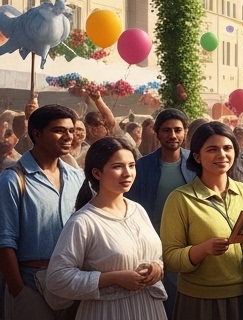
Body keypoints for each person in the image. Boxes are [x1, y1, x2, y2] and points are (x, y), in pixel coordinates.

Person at [159, 120, 243, 320]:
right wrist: (203, 250)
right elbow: (170, 258)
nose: (222, 155)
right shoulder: (180, 199)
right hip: (201, 301)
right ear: (197, 156)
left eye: (227, 148)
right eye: (212, 149)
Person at [47, 137, 166, 320]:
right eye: (118, 166)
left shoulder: (138, 210)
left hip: (149, 308)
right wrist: (113, 278)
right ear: (97, 173)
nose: (127, 173)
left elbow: (154, 254)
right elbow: (57, 279)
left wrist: (156, 267)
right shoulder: (83, 222)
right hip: (108, 311)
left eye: (131, 166)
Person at [0, 104, 84, 320]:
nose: (68, 136)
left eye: (71, 130)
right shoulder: (13, 179)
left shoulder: (77, 177)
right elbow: (5, 242)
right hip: (31, 285)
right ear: (37, 135)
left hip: (73, 284)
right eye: (59, 130)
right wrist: (20, 292)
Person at [131, 108, 198, 319]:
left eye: (178, 130)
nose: (172, 135)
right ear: (157, 133)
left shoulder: (196, 163)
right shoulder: (142, 167)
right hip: (154, 248)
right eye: (167, 130)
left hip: (192, 247)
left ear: (185, 132)